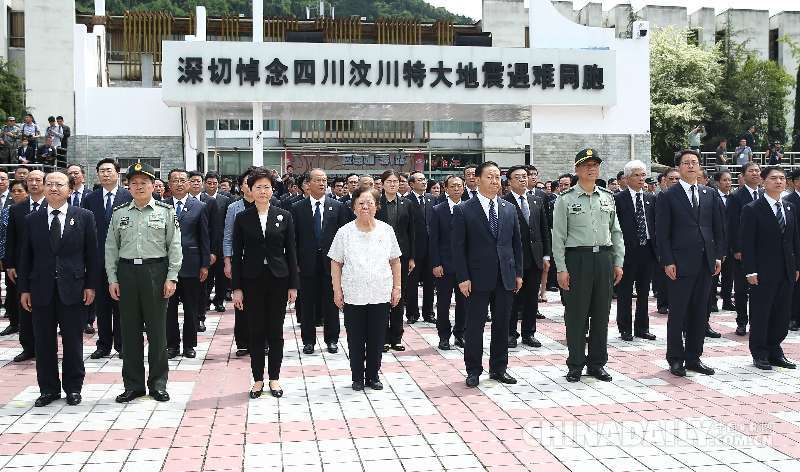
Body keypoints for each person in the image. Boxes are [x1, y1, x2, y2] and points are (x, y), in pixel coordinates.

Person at [18, 171, 100, 407]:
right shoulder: (32, 219)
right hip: (41, 289)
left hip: (73, 289)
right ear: (43, 188)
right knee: (43, 342)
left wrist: (91, 286)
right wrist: (24, 289)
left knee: (73, 341)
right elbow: (26, 257)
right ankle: (48, 389)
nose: (54, 188)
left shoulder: (84, 216)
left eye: (59, 184)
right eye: (49, 184)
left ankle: (73, 388)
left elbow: (92, 256)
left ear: (70, 189)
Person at [105, 162, 182, 403]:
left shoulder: (165, 212)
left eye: (144, 183)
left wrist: (172, 277)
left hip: (155, 272)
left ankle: (158, 383)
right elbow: (111, 248)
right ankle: (133, 385)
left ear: (153, 186)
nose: (138, 187)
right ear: (127, 187)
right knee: (129, 332)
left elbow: (175, 247)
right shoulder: (120, 213)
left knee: (158, 331)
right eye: (134, 183)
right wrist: (112, 278)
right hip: (127, 273)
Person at [552, 149, 624, 382]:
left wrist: (618, 262)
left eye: (595, 165)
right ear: (577, 169)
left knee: (601, 314)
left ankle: (597, 363)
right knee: (576, 315)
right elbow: (559, 237)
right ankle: (575, 364)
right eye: (586, 165)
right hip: (577, 260)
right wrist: (561, 268)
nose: (591, 169)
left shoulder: (607, 197)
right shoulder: (565, 199)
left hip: (603, 258)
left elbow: (616, 232)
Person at [452, 161, 523, 388]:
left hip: (505, 276)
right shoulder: (464, 209)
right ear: (477, 179)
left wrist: (518, 273)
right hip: (475, 278)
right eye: (490, 177)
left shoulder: (508, 208)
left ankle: (499, 368)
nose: (495, 181)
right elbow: (458, 247)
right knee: (474, 326)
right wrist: (462, 277)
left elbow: (516, 245)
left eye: (497, 177)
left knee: (502, 324)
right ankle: (473, 370)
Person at [656, 150, 724, 378]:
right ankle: (676, 358)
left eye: (695, 163)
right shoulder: (668, 195)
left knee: (700, 312)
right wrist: (667, 261)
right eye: (686, 163)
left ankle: (694, 357)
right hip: (679, 263)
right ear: (679, 168)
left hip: (706, 262)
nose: (691, 166)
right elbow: (662, 233)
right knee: (678, 313)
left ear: (700, 167)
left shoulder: (709, 194)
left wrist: (717, 256)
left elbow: (717, 228)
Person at [231, 169, 298, 398]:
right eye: (257, 187)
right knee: (256, 330)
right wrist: (236, 288)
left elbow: (291, 253)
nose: (262, 191)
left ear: (272, 190)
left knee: (275, 331)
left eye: (266, 187)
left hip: (279, 279)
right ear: (250, 189)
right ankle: (258, 379)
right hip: (252, 280)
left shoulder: (284, 215)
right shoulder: (242, 218)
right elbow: (237, 255)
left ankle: (275, 378)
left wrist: (293, 285)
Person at [329, 187, 401, 391]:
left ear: (377, 207)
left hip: (380, 292)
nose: (365, 206)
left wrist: (397, 288)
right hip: (354, 293)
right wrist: (337, 290)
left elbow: (395, 261)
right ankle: (357, 377)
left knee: (377, 338)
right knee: (355, 338)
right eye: (361, 203)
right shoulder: (345, 232)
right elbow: (336, 262)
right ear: (353, 207)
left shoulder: (386, 230)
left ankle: (373, 376)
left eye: (370, 203)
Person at [740, 166, 799, 371]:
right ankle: (760, 352)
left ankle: (775, 350)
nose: (779, 182)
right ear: (764, 182)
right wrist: (750, 271)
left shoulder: (789, 207)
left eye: (782, 178)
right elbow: (747, 243)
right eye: (774, 178)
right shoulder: (752, 209)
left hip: (786, 270)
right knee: (761, 313)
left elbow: (794, 240)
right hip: (762, 272)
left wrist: (796, 265)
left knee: (782, 315)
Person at [291, 169, 351, 355]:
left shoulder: (337, 206)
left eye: (325, 180)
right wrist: (295, 263)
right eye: (318, 180)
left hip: (331, 264)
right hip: (306, 263)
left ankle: (332, 339)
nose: (322, 183)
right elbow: (293, 240)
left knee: (332, 302)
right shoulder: (297, 208)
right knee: (307, 303)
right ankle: (308, 341)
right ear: (308, 184)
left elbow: (343, 237)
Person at [83, 159, 132, 358]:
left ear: (117, 173)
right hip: (97, 260)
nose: (105, 174)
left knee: (121, 304)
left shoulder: (128, 195)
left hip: (122, 259)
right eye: (101, 171)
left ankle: (122, 345)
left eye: (109, 170)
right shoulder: (91, 198)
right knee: (101, 305)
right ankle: (103, 344)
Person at [164, 169, 210, 359]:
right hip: (166, 266)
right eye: (175, 180)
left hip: (191, 264)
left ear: (189, 184)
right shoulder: (161, 205)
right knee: (169, 309)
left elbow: (204, 237)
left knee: (191, 307)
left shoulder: (199, 206)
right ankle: (172, 345)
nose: (179, 184)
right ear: (169, 184)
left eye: (183, 180)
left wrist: (205, 264)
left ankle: (190, 345)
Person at [503, 165, 550, 348]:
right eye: (518, 177)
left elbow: (544, 229)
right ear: (509, 182)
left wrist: (546, 255)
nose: (523, 179)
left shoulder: (537, 200)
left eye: (525, 176)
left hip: (535, 257)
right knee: (513, 299)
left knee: (532, 298)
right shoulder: (504, 202)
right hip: (514, 259)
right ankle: (510, 333)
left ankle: (529, 333)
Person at [3, 170, 46, 362]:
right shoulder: (16, 209)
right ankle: (28, 347)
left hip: (48, 266)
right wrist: (10, 264)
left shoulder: (53, 206)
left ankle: (46, 347)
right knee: (25, 307)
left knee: (47, 309)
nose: (34, 183)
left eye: (38, 180)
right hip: (23, 267)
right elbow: (11, 239)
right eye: (31, 180)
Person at [614, 160, 656, 342]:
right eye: (637, 175)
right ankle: (624, 328)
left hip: (647, 250)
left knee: (644, 291)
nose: (641, 179)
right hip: (626, 252)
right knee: (624, 292)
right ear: (627, 178)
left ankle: (642, 327)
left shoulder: (651, 199)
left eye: (643, 175)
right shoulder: (617, 199)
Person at [376, 170, 415, 352]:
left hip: (402, 255)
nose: (393, 184)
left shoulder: (407, 204)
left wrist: (412, 257)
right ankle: (382, 337)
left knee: (399, 296)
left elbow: (413, 232)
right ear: (382, 184)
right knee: (383, 297)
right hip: (379, 256)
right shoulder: (376, 203)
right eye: (389, 181)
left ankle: (397, 337)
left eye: (396, 181)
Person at [430, 175, 466, 350]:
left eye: (459, 185)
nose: (457, 189)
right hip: (444, 265)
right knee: (443, 303)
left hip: (465, 266)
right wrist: (436, 263)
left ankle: (460, 334)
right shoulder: (438, 210)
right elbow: (433, 240)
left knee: (464, 303)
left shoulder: (468, 208)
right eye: (453, 186)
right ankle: (444, 336)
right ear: (446, 188)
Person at [224, 168, 257, 357]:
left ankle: (263, 341)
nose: (251, 186)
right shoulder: (233, 208)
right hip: (240, 261)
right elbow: (227, 236)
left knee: (262, 303)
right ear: (241, 187)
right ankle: (243, 342)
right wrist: (228, 261)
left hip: (262, 262)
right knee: (241, 300)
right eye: (247, 182)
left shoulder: (269, 206)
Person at [728, 162, 762, 336]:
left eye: (757, 170)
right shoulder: (736, 197)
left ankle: (758, 322)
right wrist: (736, 248)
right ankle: (742, 321)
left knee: (760, 289)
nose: (755, 173)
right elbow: (732, 225)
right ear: (743, 175)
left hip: (763, 252)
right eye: (751, 171)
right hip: (743, 252)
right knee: (741, 289)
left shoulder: (765, 195)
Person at [406, 171, 435, 324]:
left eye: (424, 179)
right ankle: (412, 313)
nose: (424, 182)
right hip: (414, 250)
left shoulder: (432, 199)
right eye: (420, 180)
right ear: (411, 184)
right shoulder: (406, 201)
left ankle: (429, 313)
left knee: (430, 283)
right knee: (412, 284)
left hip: (431, 249)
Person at [0, 179, 28, 338]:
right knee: (11, 290)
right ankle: (13, 322)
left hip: (26, 257)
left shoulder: (32, 209)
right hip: (9, 255)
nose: (16, 194)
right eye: (14, 191)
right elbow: (6, 236)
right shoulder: (9, 210)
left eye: (20, 191)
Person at [202, 172, 232, 313]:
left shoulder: (225, 200)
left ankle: (219, 301)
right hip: (206, 243)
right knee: (207, 275)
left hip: (221, 243)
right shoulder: (201, 200)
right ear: (204, 183)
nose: (212, 186)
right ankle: (206, 301)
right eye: (209, 183)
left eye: (215, 183)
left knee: (221, 276)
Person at [713, 171, 735, 316]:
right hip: (716, 242)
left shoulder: (734, 198)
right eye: (725, 180)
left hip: (731, 242)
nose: (728, 183)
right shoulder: (712, 197)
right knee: (714, 274)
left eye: (729, 180)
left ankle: (727, 300)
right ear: (717, 183)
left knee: (729, 274)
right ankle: (712, 301)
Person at [784, 168, 800, 332]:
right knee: (796, 285)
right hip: (795, 248)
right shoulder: (789, 201)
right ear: (795, 182)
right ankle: (793, 317)